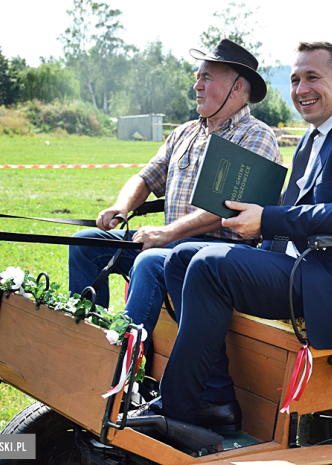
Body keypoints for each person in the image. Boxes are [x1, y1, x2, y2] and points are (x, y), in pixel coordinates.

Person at [127, 42, 332, 440]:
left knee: (208, 264)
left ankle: (177, 405)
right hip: (306, 267)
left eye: (312, 77)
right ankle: (214, 399)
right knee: (181, 256)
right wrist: (259, 232)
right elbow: (293, 214)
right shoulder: (311, 138)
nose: (301, 88)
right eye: (294, 79)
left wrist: (265, 220)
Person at [67, 39, 281, 321]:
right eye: (197, 78)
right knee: (85, 243)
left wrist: (168, 233)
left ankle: (125, 354)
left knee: (148, 261)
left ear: (237, 87)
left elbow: (227, 207)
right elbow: (145, 178)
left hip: (221, 254)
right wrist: (121, 207)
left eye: (206, 77)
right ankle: (86, 337)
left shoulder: (256, 136)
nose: (197, 86)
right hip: (171, 243)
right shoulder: (185, 133)